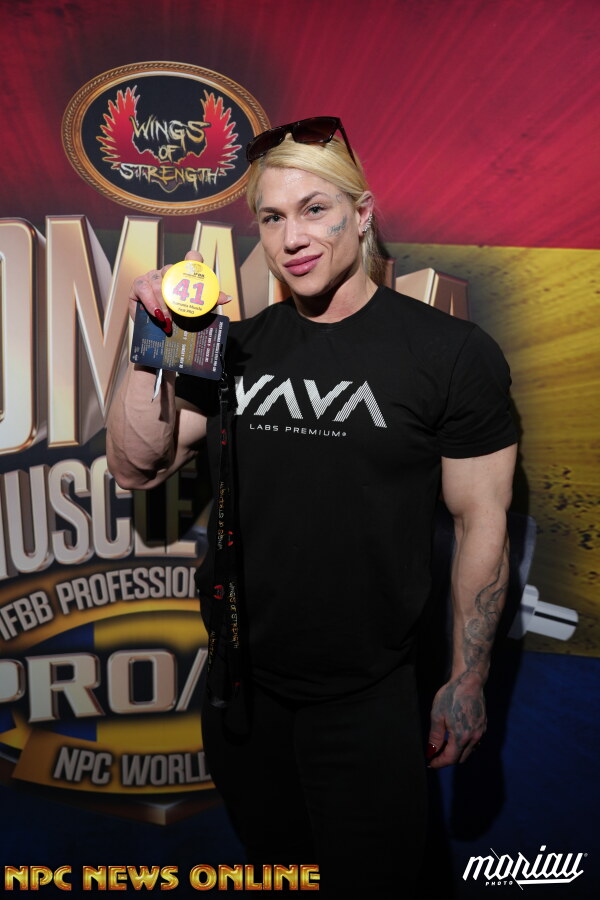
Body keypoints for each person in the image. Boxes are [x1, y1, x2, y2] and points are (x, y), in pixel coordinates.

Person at [106, 116, 517, 897]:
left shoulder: (451, 354)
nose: (291, 238)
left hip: (366, 700)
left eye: (314, 209)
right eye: (272, 217)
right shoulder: (233, 347)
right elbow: (137, 467)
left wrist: (468, 679)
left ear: (361, 215)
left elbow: (481, 521)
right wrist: (151, 344)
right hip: (243, 696)